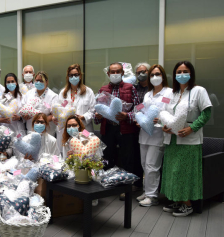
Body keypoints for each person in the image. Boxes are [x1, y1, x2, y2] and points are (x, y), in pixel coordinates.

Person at [161, 61, 212, 217]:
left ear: (191, 73)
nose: (182, 75)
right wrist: (163, 126)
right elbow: (162, 111)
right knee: (171, 172)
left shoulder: (199, 91)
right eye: (179, 72)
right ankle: (177, 200)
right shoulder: (170, 93)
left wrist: (192, 128)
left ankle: (188, 204)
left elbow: (206, 113)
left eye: (185, 71)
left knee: (183, 172)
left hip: (189, 139)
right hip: (172, 139)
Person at [94, 62, 143, 198]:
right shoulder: (103, 89)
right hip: (108, 128)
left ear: (122, 73)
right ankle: (109, 186)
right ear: (108, 74)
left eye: (118, 72)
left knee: (128, 158)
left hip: (126, 129)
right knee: (107, 157)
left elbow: (138, 109)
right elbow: (96, 109)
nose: (115, 74)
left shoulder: (130, 88)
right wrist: (97, 115)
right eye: (112, 72)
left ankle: (126, 188)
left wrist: (127, 116)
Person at [136, 64, 171, 207]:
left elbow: (170, 112)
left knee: (152, 165)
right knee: (144, 164)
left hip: (158, 135)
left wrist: (161, 120)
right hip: (144, 134)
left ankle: (153, 196)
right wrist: (139, 119)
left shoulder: (169, 93)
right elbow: (143, 110)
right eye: (152, 75)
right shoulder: (147, 94)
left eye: (158, 74)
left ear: (163, 76)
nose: (155, 77)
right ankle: (147, 191)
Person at [56, 64, 96, 152]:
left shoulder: (88, 91)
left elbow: (93, 110)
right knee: (67, 153)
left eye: (76, 75)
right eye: (71, 75)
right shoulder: (63, 93)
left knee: (85, 152)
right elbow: (59, 110)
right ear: (67, 77)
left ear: (80, 76)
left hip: (84, 128)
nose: (73, 77)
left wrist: (82, 117)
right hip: (68, 130)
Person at [61, 115, 99, 206]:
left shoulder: (86, 134)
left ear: (79, 125)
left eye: (74, 125)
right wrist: (70, 157)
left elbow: (95, 150)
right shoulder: (67, 140)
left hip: (89, 165)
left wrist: (82, 154)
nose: (71, 128)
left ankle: (91, 197)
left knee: (91, 175)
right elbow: (65, 160)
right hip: (74, 166)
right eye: (69, 126)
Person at [21, 71, 58, 136]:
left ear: (46, 82)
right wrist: (25, 116)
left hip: (47, 132)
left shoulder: (53, 96)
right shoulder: (29, 93)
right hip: (31, 130)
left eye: (41, 81)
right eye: (37, 80)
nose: (39, 82)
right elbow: (23, 108)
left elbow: (54, 115)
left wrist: (41, 120)